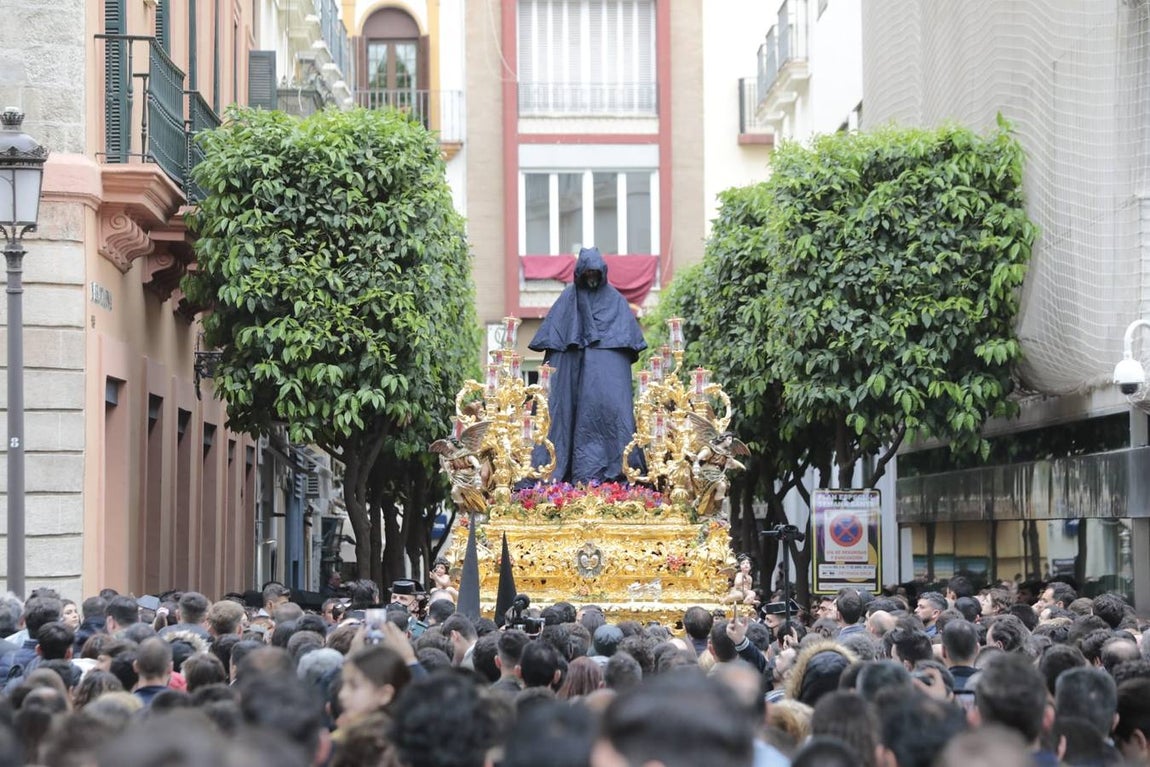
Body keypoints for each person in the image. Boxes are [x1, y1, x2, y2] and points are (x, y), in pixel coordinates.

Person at [529, 246, 647, 484]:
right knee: (561, 412)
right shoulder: (568, 299)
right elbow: (555, 351)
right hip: (571, 373)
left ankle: (614, 471)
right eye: (587, 274)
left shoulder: (615, 301)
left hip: (604, 382)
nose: (591, 278)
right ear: (580, 274)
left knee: (613, 413)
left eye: (595, 273)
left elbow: (624, 352)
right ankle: (558, 472)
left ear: (602, 273)